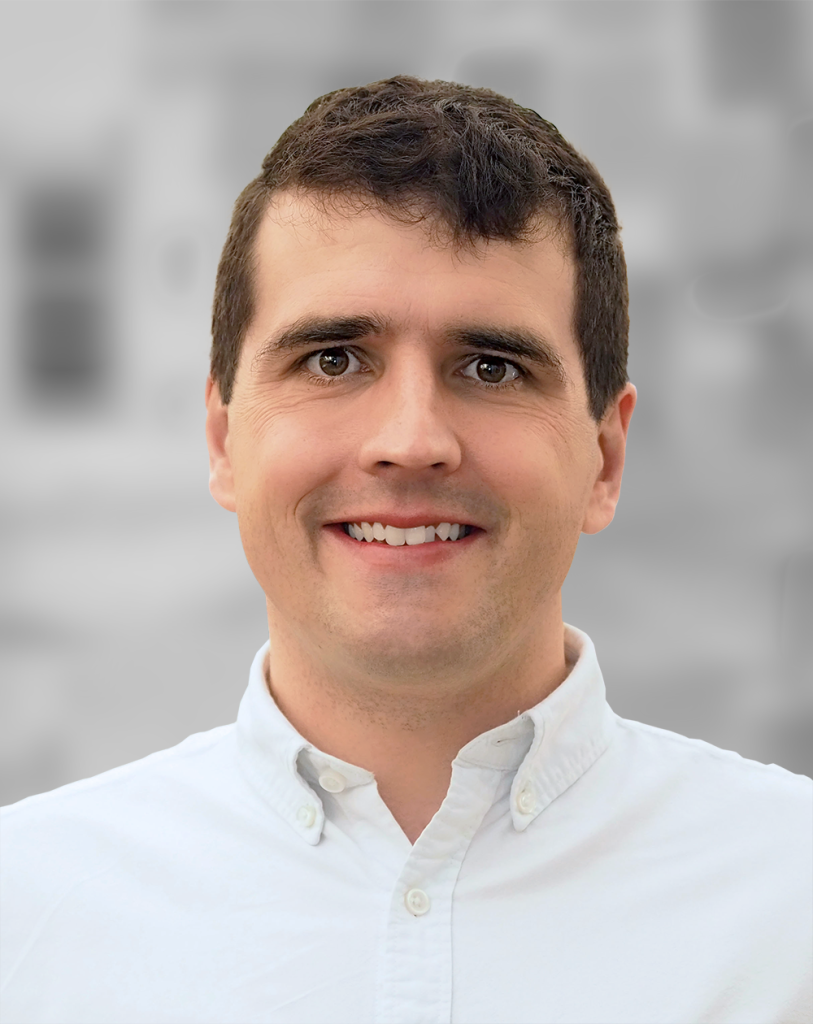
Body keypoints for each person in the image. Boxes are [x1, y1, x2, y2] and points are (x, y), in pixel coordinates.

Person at [1, 76, 810, 1024]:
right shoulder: (30, 912)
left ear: (605, 455)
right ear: (223, 441)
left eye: (490, 365)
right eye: (333, 359)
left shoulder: (789, 903)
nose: (412, 438)